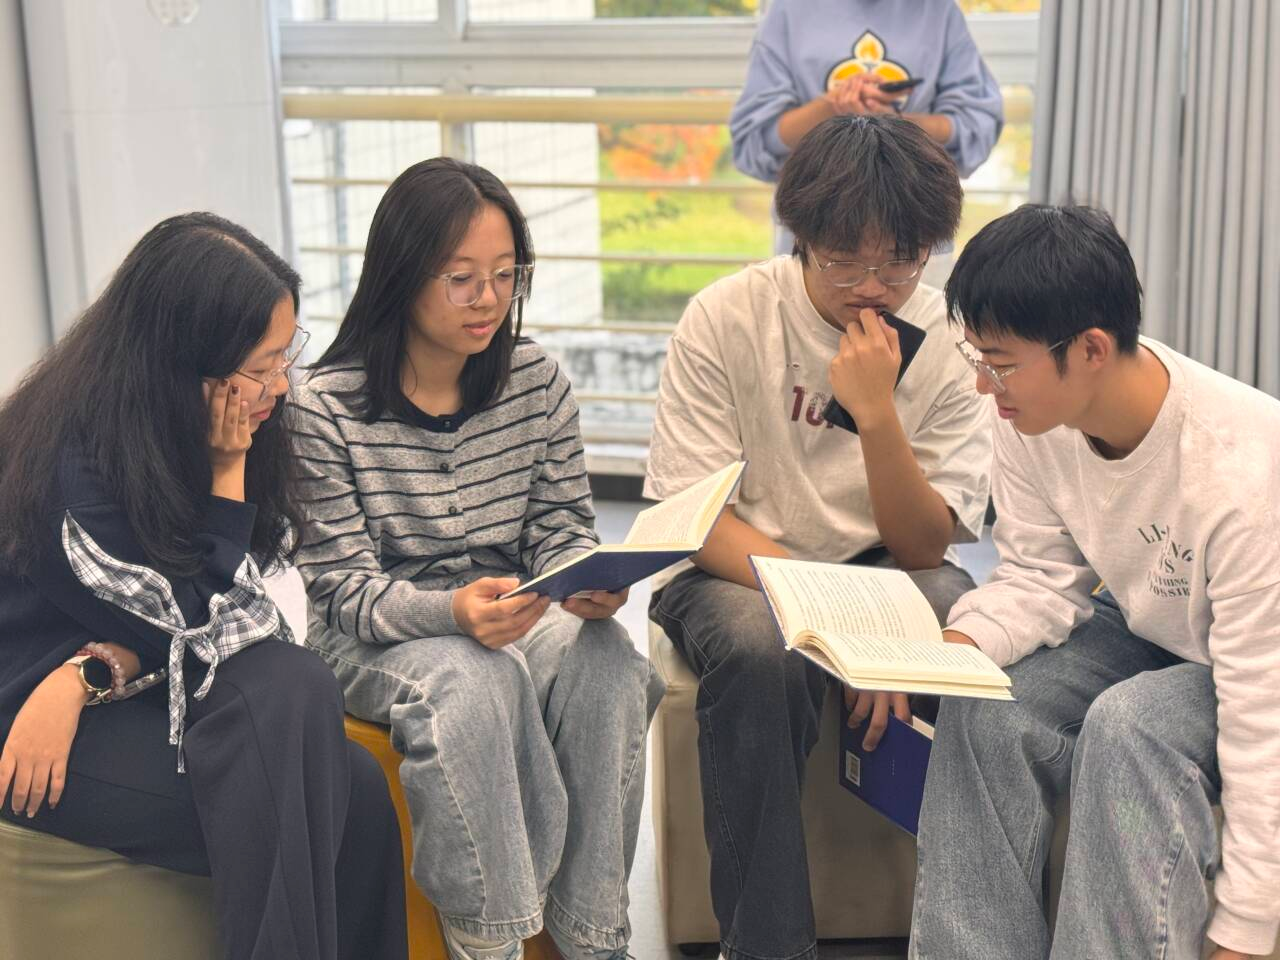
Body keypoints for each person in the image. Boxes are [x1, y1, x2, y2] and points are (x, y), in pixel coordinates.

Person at [0, 212, 407, 960]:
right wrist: (226, 484)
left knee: (349, 772)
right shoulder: (73, 471)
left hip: (129, 688)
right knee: (304, 770)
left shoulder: (198, 426)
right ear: (184, 363)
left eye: (286, 354)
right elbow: (212, 633)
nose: (280, 385)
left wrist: (97, 667)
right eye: (262, 366)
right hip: (42, 736)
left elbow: (234, 629)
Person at [290, 157, 665, 960]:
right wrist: (452, 613)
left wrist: (584, 578)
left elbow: (561, 524)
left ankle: (592, 939)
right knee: (472, 675)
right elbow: (343, 590)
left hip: (513, 612)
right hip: (373, 638)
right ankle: (488, 942)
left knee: (606, 659)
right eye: (461, 279)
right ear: (400, 275)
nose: (488, 299)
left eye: (505, 275)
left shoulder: (535, 381)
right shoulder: (323, 409)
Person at [645, 114, 992, 960]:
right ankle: (765, 945)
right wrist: (838, 610)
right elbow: (695, 520)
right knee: (759, 649)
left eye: (900, 262)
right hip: (737, 565)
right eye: (844, 262)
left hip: (890, 567)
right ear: (801, 239)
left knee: (969, 627)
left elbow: (925, 550)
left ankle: (954, 933)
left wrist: (877, 414)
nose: (873, 288)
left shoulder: (949, 340)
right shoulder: (728, 316)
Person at [908, 204, 1280, 960]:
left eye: (1000, 362)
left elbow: (1258, 706)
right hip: (1163, 629)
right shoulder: (1029, 419)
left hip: (1259, 661)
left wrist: (1248, 925)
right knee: (986, 705)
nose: (982, 384)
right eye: (976, 356)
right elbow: (1040, 576)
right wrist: (951, 652)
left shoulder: (1242, 470)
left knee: (1129, 722)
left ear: (1091, 349)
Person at [730, 0, 1003, 265]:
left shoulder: (939, 9)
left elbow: (976, 123)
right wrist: (831, 108)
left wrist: (893, 124)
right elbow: (756, 136)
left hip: (916, 231)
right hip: (816, 233)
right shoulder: (788, 9)